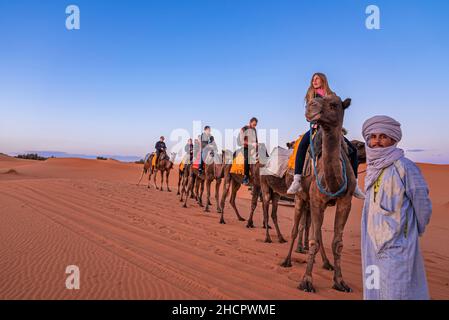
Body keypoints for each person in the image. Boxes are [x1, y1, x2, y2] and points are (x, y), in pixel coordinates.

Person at [361, 115, 432, 300]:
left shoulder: (405, 167)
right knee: (374, 289)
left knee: (397, 293)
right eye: (373, 136)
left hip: (397, 247)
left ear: (393, 139)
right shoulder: (371, 171)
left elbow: (422, 205)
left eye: (383, 136)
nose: (377, 141)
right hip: (371, 246)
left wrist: (412, 233)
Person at [286, 73, 365, 199]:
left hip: (331, 129)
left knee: (353, 151)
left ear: (323, 80)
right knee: (301, 146)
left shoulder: (332, 96)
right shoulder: (311, 96)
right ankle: (297, 180)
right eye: (313, 79)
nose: (314, 81)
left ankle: (354, 185)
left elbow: (338, 112)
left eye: (317, 79)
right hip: (317, 128)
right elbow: (309, 114)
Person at [238, 117, 259, 186]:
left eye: (255, 125)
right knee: (247, 159)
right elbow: (241, 141)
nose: (254, 126)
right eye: (253, 124)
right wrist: (251, 144)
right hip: (245, 148)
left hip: (253, 148)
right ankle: (246, 177)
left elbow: (256, 140)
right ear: (250, 122)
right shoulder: (243, 129)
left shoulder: (254, 130)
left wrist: (257, 145)